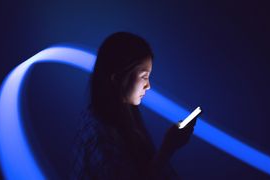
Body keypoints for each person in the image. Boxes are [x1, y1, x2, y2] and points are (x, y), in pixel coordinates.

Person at [69, 32, 197, 180]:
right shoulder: (97, 134)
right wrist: (167, 149)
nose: (148, 86)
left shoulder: (125, 120)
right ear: (118, 78)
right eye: (144, 76)